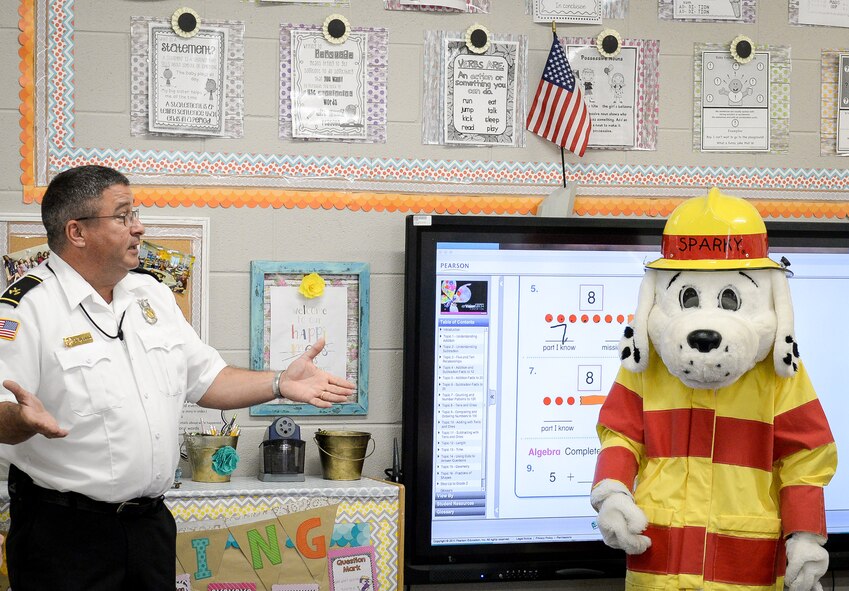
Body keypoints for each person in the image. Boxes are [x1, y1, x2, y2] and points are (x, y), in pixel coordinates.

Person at [0, 165, 355, 591]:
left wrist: (280, 382)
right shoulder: (25, 307)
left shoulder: (152, 295)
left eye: (136, 214)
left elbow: (207, 380)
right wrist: (22, 422)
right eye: (123, 216)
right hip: (63, 535)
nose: (139, 228)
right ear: (77, 232)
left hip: (148, 526)